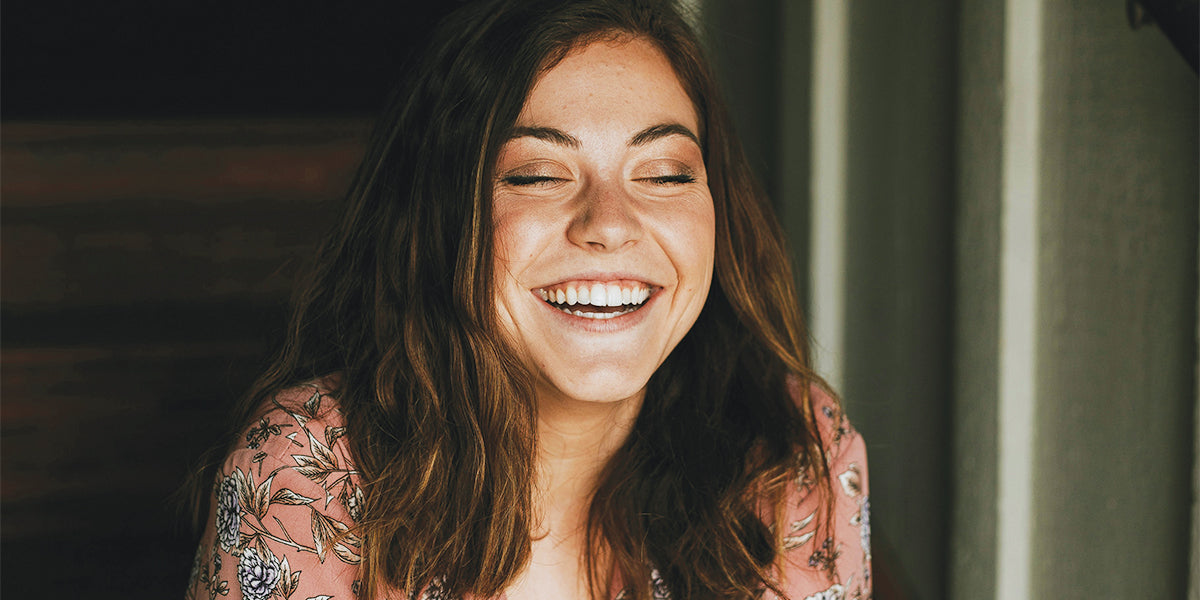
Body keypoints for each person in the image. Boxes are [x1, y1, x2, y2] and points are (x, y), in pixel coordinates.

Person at [185, 1, 870, 599]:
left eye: (663, 174)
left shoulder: (790, 454)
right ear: (440, 219)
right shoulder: (311, 474)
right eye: (539, 175)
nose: (610, 223)